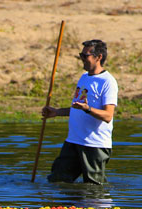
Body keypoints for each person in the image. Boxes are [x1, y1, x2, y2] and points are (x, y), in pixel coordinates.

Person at [42, 39, 118, 184]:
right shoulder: (83, 78)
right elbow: (77, 108)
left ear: (98, 57)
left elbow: (108, 116)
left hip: (94, 144)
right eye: (81, 55)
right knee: (57, 180)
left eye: (85, 56)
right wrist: (56, 112)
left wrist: (88, 109)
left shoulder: (107, 82)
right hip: (73, 141)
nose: (82, 59)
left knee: (93, 187)